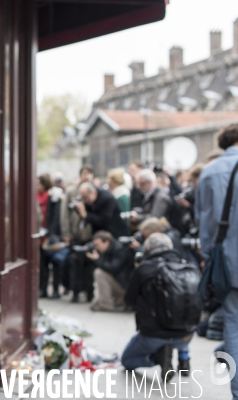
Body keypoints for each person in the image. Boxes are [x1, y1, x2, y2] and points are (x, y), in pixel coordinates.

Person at [195, 124, 238, 400]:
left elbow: (205, 222)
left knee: (233, 323)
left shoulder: (210, 172)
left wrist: (208, 258)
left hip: (229, 262)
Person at [122, 233, 196, 382]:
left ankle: (158, 358)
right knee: (181, 310)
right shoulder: (189, 267)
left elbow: (129, 300)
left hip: (153, 335)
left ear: (147, 249)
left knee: (127, 361)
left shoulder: (145, 268)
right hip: (185, 336)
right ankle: (184, 358)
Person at [60, 165, 95, 303]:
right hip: (75, 233)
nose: (86, 176)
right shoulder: (71, 192)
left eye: (89, 173)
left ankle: (89, 292)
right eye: (84, 173)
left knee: (89, 265)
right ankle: (75, 291)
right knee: (74, 263)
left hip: (90, 234)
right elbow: (65, 214)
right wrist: (66, 233)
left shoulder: (95, 191)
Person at [86, 231, 134, 312]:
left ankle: (106, 305)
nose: (96, 247)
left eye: (97, 245)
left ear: (107, 242)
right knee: (96, 302)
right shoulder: (107, 250)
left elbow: (113, 269)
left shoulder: (120, 249)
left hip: (124, 286)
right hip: (119, 284)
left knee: (99, 273)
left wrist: (98, 259)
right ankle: (110, 302)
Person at [37, 174, 64, 298]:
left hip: (52, 234)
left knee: (56, 262)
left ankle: (56, 289)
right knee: (42, 264)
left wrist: (51, 233)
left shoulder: (53, 197)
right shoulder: (36, 197)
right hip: (39, 235)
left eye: (39, 184)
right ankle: (42, 288)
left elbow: (56, 216)